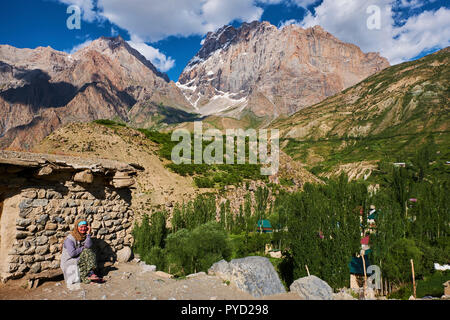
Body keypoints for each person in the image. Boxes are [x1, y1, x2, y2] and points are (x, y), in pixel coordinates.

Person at [60, 218, 103, 285]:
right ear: (77, 227)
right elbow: (72, 254)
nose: (83, 229)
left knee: (89, 252)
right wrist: (83, 248)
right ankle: (90, 274)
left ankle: (88, 277)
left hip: (78, 258)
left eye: (85, 227)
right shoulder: (70, 239)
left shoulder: (83, 236)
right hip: (69, 261)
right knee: (87, 253)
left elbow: (88, 246)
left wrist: (88, 234)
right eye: (81, 227)